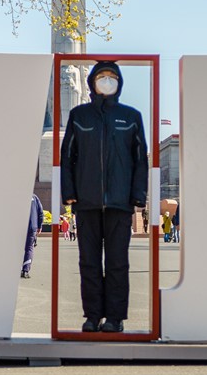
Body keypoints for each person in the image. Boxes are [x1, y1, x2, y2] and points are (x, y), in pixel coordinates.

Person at [60, 60, 148, 334]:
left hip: (120, 203)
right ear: (92, 82)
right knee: (88, 262)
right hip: (86, 202)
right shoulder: (79, 116)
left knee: (117, 263)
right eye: (102, 76)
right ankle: (92, 316)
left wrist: (138, 196)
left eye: (112, 76)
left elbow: (140, 160)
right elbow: (67, 157)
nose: (107, 80)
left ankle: (115, 318)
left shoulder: (131, 117)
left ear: (119, 82)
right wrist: (69, 193)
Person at [20, 192, 42, 278]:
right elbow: (40, 212)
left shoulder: (18, 195)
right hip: (32, 226)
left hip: (19, 227)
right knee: (29, 248)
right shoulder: (34, 197)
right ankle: (25, 270)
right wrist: (39, 226)